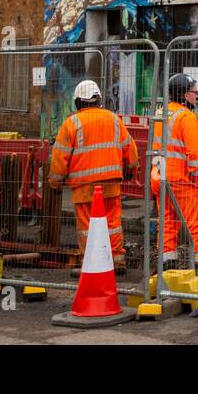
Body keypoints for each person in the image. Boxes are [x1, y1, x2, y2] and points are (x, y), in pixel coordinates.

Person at [47, 80, 138, 273]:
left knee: (87, 225)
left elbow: (59, 157)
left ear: (78, 102)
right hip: (111, 182)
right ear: (98, 100)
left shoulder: (71, 123)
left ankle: (91, 265)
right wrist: (131, 169)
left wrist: (55, 183)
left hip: (84, 186)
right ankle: (117, 261)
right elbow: (130, 148)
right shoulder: (113, 119)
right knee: (112, 222)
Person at [153, 73, 198, 277]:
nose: (197, 95)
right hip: (181, 180)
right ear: (183, 94)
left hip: (160, 176)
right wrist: (196, 180)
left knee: (167, 222)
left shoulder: (160, 113)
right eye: (194, 92)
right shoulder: (187, 117)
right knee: (197, 222)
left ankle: (167, 268)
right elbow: (194, 155)